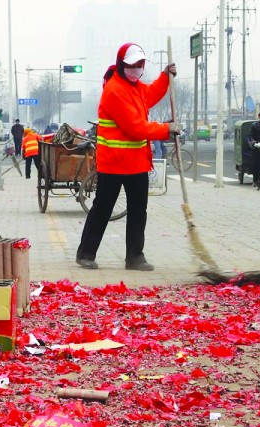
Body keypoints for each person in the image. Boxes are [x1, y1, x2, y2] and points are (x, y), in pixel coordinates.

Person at [75, 42, 179, 271]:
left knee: (138, 211)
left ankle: (135, 256)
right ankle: (85, 253)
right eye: (131, 65)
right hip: (113, 163)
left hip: (136, 163)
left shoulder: (136, 87)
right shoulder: (115, 90)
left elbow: (149, 95)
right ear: (122, 65)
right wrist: (166, 128)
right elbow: (135, 127)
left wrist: (164, 77)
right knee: (102, 209)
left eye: (140, 65)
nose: (136, 69)